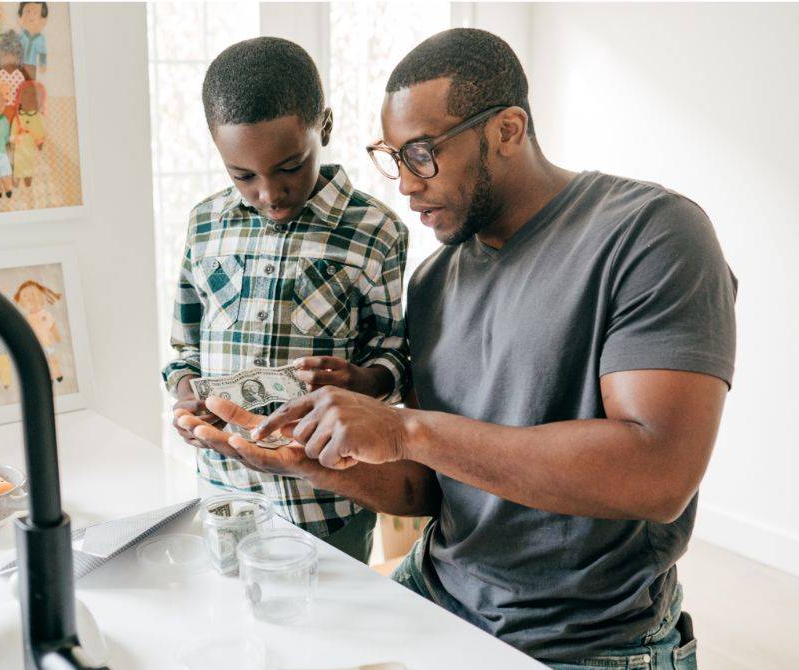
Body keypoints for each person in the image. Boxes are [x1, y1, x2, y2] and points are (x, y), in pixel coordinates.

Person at [178, 28, 736, 669]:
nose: (405, 184)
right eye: (392, 158)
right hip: (436, 594)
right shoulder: (434, 280)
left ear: (507, 129)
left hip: (587, 642)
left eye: (421, 153)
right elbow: (426, 490)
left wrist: (404, 427)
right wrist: (303, 460)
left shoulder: (649, 233)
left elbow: (657, 476)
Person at [163, 37, 410, 563]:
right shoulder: (205, 225)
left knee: (331, 632)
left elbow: (395, 356)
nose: (270, 193)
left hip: (326, 501)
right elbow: (183, 348)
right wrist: (188, 397)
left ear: (324, 126)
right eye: (243, 176)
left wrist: (364, 381)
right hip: (224, 491)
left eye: (290, 166)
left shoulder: (375, 231)